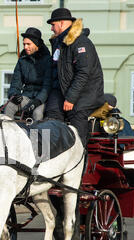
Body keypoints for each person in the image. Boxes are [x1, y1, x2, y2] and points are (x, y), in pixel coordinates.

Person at [45, 8, 105, 147]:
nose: (52, 29)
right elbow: (56, 74)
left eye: (53, 25)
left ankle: (79, 158)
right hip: (63, 91)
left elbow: (83, 73)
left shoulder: (81, 43)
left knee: (77, 122)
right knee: (49, 117)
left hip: (85, 94)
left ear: (61, 23)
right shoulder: (59, 43)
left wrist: (71, 98)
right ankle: (47, 156)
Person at [4, 27, 52, 121]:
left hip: (41, 99)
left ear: (37, 44)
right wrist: (14, 95)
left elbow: (47, 85)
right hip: (26, 96)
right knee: (9, 107)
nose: (25, 47)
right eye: (24, 44)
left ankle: (36, 136)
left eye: (28, 44)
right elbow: (15, 83)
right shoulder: (22, 61)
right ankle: (10, 134)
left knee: (37, 113)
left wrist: (37, 101)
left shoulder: (48, 60)